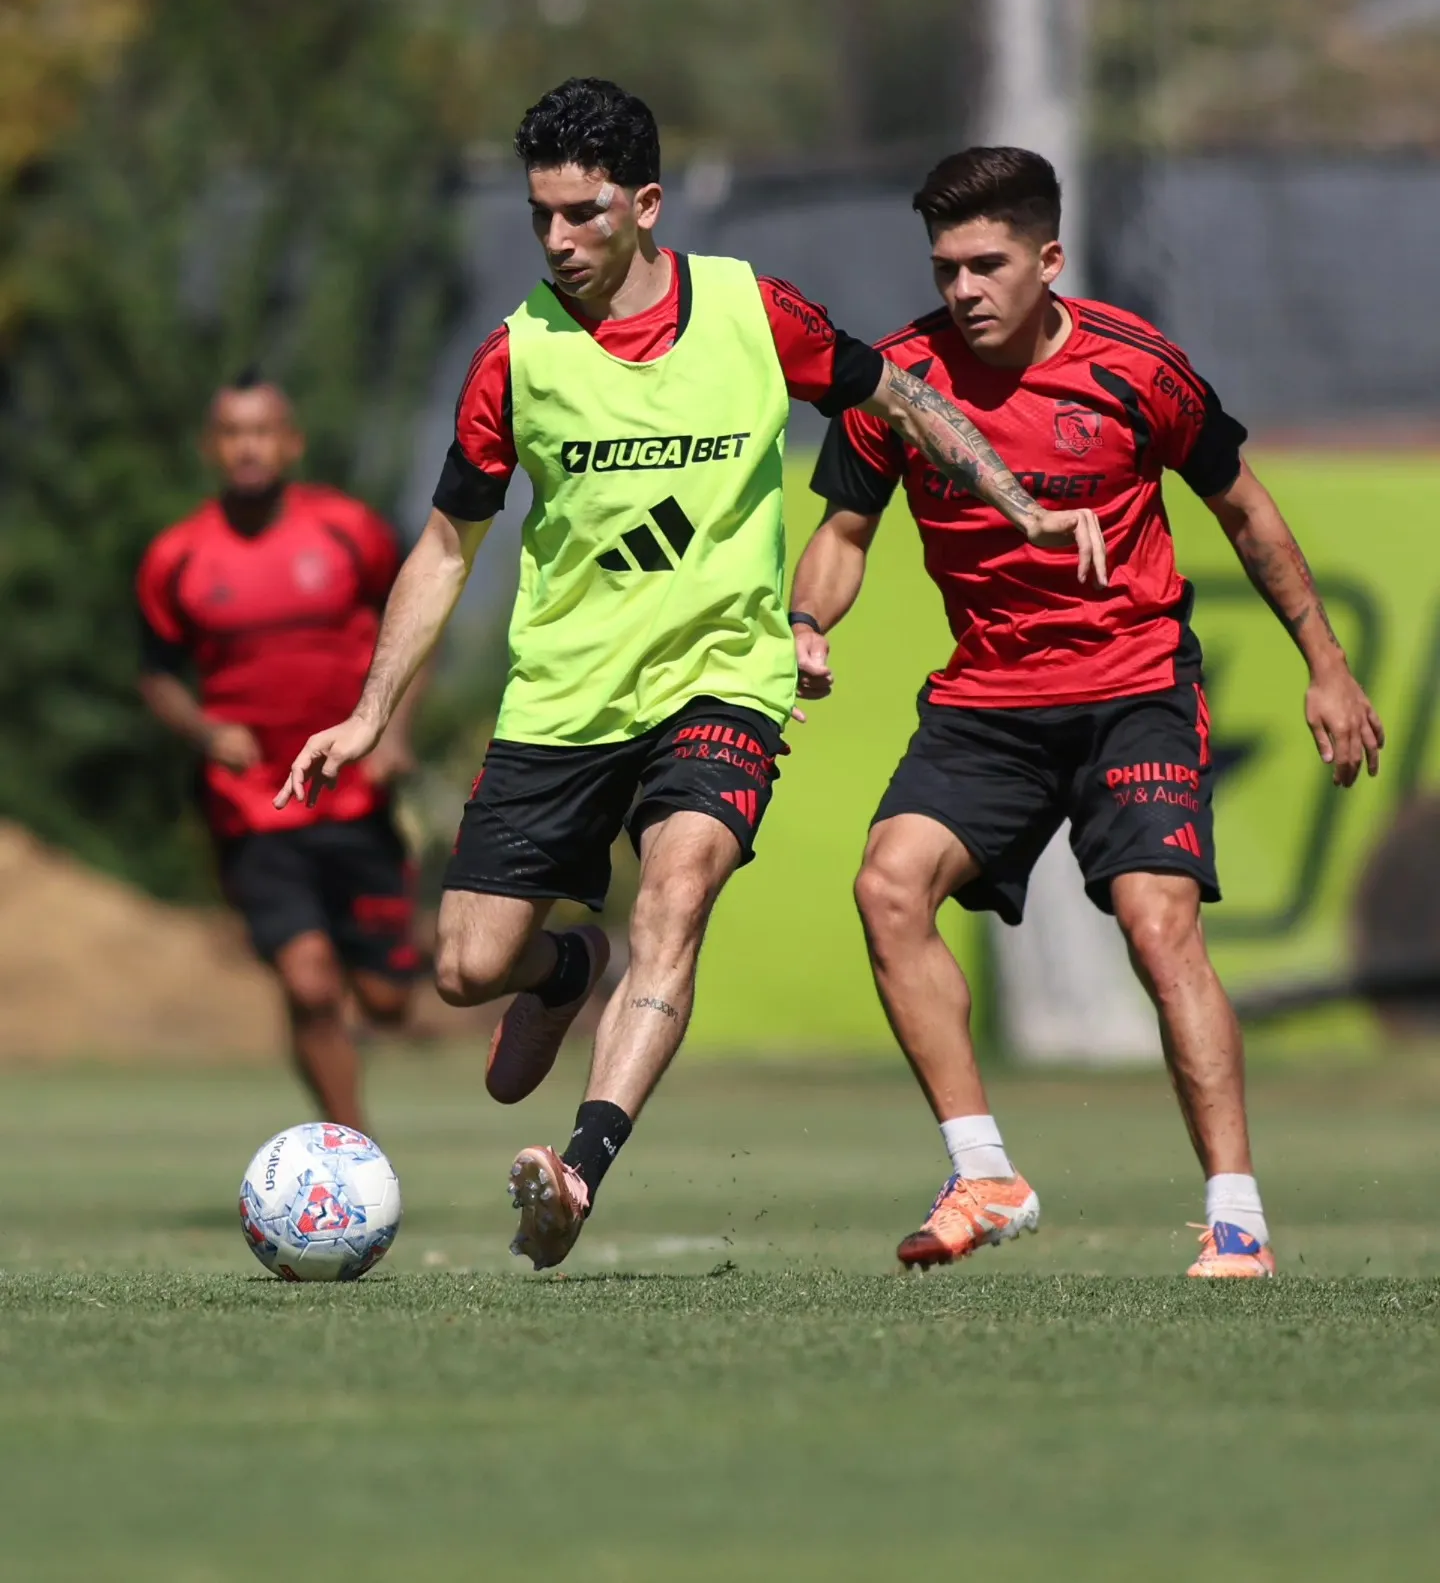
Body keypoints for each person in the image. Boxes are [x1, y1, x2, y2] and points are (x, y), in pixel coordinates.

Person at [276, 78, 1107, 1271]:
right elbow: (448, 543)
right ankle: (571, 964)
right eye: (540, 217)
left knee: (676, 894)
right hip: (563, 696)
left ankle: (578, 1168)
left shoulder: (750, 309)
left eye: (584, 213)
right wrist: (369, 712)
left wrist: (1019, 503)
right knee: (464, 965)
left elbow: (903, 397)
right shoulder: (515, 357)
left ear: (648, 203)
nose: (558, 240)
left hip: (723, 681)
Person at [790, 146, 1384, 1280]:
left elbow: (1246, 511)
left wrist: (1326, 661)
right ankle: (985, 1173)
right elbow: (845, 534)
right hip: (989, 703)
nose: (962, 288)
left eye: (987, 263)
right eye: (946, 265)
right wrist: (809, 622)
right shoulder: (898, 382)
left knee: (1159, 927)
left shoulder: (1137, 369)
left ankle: (1237, 1216)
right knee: (888, 883)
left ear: (1049, 258)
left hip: (1134, 689)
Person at [137, 372, 423, 1132]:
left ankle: (396, 954)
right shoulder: (177, 557)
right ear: (212, 447)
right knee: (307, 981)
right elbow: (157, 676)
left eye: (262, 429)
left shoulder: (349, 532)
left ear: (291, 442)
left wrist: (393, 734)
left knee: (390, 1002)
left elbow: (417, 631)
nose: (248, 446)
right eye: (232, 432)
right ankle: (352, 1152)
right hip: (252, 806)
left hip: (356, 794)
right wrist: (203, 730)